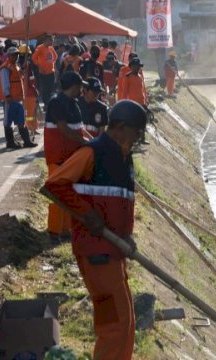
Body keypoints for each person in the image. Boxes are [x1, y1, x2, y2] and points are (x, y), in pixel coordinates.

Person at [44, 100, 147, 360]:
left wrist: (127, 236)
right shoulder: (93, 153)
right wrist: (87, 214)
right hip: (97, 254)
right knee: (115, 325)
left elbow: (123, 204)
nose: (137, 139)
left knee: (125, 321)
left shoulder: (124, 159)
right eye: (136, 133)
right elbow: (55, 185)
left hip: (114, 252)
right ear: (121, 127)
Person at [44, 72, 91, 243]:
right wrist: (84, 141)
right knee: (58, 195)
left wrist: (93, 141)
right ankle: (54, 231)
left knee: (69, 194)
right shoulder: (56, 103)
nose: (82, 89)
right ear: (74, 86)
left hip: (71, 157)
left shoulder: (73, 103)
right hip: (59, 157)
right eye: (80, 85)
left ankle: (65, 230)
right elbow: (63, 128)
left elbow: (78, 128)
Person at [0, 47, 38, 149]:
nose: (15, 56)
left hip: (19, 99)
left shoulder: (16, 66)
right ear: (8, 56)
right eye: (13, 55)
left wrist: (24, 69)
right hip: (10, 99)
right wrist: (7, 95)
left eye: (16, 54)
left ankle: (27, 142)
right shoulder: (5, 67)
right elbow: (5, 83)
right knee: (8, 122)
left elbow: (21, 77)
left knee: (21, 121)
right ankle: (10, 143)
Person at [120, 58, 149, 145]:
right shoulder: (127, 77)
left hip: (142, 103)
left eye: (139, 66)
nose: (138, 68)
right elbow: (124, 91)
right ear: (131, 67)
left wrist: (146, 101)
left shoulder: (140, 77)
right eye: (136, 66)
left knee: (142, 121)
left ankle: (142, 139)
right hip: (132, 104)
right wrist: (123, 104)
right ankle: (132, 139)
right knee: (133, 123)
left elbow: (143, 90)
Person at [31, 34, 58, 104]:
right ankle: (46, 104)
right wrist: (40, 66)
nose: (52, 42)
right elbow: (33, 58)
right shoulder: (40, 48)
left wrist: (53, 64)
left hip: (52, 72)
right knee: (45, 89)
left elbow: (55, 56)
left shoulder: (51, 48)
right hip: (43, 73)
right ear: (46, 40)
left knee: (51, 88)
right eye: (51, 41)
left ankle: (49, 102)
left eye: (53, 41)